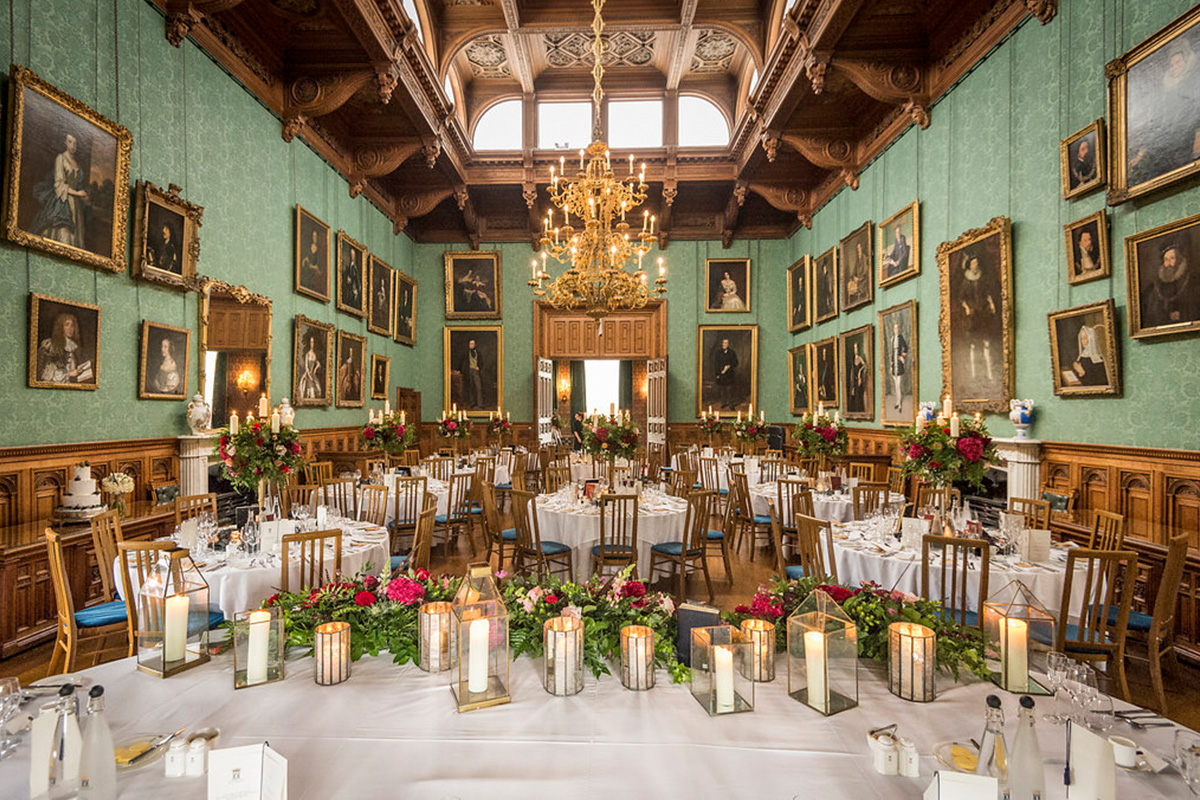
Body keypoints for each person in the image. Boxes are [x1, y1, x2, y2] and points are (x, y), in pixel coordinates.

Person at [1128, 37, 1200, 185]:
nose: (1174, 67)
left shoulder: (1194, 84)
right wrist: (1141, 153)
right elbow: (1156, 125)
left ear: (1187, 62)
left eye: (1178, 62)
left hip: (1186, 142)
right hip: (1168, 147)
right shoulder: (1165, 93)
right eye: (1172, 64)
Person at [29, 133, 88, 248]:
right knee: (63, 236)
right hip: (63, 201)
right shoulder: (60, 158)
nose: (73, 146)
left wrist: (84, 196)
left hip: (76, 206)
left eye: (75, 143)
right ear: (65, 143)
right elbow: (59, 184)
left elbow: (79, 184)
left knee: (76, 241)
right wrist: (77, 193)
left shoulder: (77, 164)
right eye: (70, 142)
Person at [958, 251, 998, 381]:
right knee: (973, 345)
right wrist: (967, 308)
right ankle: (974, 374)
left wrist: (991, 303)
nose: (976, 264)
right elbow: (961, 298)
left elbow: (987, 292)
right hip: (972, 314)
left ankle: (989, 374)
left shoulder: (982, 278)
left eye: (977, 262)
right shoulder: (966, 281)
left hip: (983, 311)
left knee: (986, 342)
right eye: (974, 263)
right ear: (970, 265)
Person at [1142, 240, 1196, 328]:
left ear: (1179, 260)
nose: (1169, 263)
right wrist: (1167, 316)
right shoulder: (1154, 287)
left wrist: (1182, 315)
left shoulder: (1192, 281)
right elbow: (1150, 314)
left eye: (1172, 258)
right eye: (1166, 259)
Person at [38, 310, 90, 384]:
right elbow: (44, 373)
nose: (70, 328)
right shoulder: (49, 345)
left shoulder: (75, 348)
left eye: (72, 325)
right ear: (60, 327)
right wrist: (69, 374)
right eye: (67, 325)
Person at [456, 338, 485, 409]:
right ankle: (472, 403)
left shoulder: (478, 352)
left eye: (473, 344)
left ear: (475, 345)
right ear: (469, 345)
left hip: (476, 371)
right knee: (471, 387)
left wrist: (479, 367)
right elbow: (461, 361)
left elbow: (481, 362)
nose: (471, 345)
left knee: (479, 387)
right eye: (470, 344)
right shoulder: (465, 353)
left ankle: (480, 404)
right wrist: (458, 369)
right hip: (468, 371)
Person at [886, 319, 909, 412]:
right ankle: (897, 402)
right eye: (895, 328)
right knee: (895, 386)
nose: (896, 330)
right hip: (893, 363)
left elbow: (906, 348)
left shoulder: (901, 337)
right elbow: (891, 352)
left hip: (899, 364)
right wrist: (891, 364)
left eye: (897, 328)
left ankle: (899, 404)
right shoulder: (892, 339)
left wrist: (902, 356)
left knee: (898, 385)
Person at [710, 337, 739, 410]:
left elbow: (736, 363)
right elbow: (716, 364)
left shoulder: (732, 352)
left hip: (730, 375)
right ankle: (723, 403)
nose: (726, 344)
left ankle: (731, 404)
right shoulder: (718, 352)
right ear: (722, 343)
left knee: (730, 390)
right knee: (722, 390)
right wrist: (717, 374)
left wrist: (729, 366)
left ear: (728, 344)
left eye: (727, 343)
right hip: (721, 374)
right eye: (724, 343)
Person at [845, 241, 869, 305]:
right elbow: (854, 270)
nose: (858, 250)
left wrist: (859, 278)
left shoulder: (864, 257)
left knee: (859, 287)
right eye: (857, 248)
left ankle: (861, 298)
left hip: (863, 279)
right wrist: (853, 277)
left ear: (861, 248)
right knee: (851, 286)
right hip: (857, 279)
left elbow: (865, 270)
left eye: (859, 248)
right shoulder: (857, 258)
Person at [298, 335, 322, 399]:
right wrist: (309, 376)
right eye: (311, 342)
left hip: (313, 374)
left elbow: (318, 364)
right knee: (310, 392)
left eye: (313, 342)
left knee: (319, 390)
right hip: (308, 374)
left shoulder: (314, 354)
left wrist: (315, 369)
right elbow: (306, 366)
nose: (312, 344)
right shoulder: (307, 354)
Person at [846, 341, 867, 413]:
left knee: (858, 397)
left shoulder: (860, 358)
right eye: (854, 348)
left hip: (858, 380)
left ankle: (859, 411)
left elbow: (865, 366)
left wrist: (859, 374)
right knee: (852, 397)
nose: (856, 350)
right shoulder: (852, 359)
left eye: (857, 348)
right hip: (853, 381)